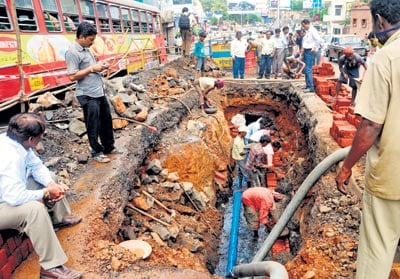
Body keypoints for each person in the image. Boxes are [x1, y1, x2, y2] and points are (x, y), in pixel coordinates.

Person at [335, 1, 400, 278]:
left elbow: (371, 124)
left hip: (392, 175)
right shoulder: (349, 61)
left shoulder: (387, 58)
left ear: (379, 20)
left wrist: (347, 166)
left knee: (378, 247)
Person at [0, 113, 82, 279]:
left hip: (7, 193)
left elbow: (36, 166)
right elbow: (14, 197)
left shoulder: (17, 142)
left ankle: (57, 219)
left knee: (50, 178)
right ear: (31, 139)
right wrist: (45, 193)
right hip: (4, 201)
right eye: (40, 137)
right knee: (34, 210)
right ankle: (51, 268)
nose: (41, 139)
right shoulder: (9, 157)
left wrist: (50, 186)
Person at [65, 21, 120, 163]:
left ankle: (109, 147)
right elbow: (72, 76)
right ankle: (96, 152)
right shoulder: (72, 52)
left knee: (106, 121)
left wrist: (101, 66)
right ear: (82, 37)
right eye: (90, 40)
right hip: (87, 94)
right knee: (93, 124)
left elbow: (92, 67)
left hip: (98, 91)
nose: (92, 43)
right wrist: (91, 69)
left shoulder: (86, 49)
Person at [300, 19, 323, 93]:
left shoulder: (313, 30)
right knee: (306, 69)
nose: (303, 27)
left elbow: (319, 40)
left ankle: (311, 87)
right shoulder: (308, 31)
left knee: (308, 69)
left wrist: (315, 48)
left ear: (307, 24)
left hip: (310, 51)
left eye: (304, 26)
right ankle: (307, 85)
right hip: (306, 50)